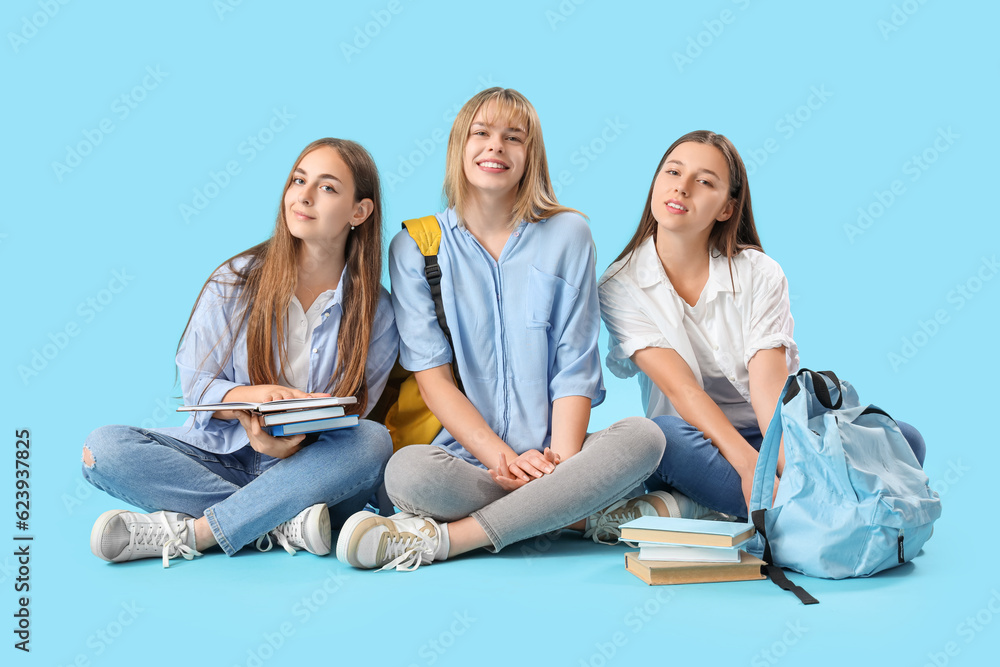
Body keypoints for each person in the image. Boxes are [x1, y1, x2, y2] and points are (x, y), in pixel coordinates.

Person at [335, 88, 668, 572]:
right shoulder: (414, 247)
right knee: (406, 475)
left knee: (645, 437)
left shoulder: (569, 234)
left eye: (514, 138)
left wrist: (560, 464)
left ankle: (446, 541)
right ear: (458, 147)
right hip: (470, 464)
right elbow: (434, 380)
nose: (496, 147)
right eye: (482, 133)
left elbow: (575, 367)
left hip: (561, 455)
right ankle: (575, 513)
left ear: (531, 157)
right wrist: (503, 460)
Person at [82, 138, 398, 566]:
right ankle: (283, 525)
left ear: (359, 212)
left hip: (312, 469)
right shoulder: (234, 281)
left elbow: (356, 412)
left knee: (373, 440)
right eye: (298, 181)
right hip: (222, 458)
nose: (302, 196)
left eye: (326, 188)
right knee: (103, 448)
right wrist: (251, 400)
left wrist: (294, 440)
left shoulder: (376, 312)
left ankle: (197, 533)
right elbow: (197, 387)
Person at [598, 130, 927, 520]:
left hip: (778, 433)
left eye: (704, 181)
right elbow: (681, 389)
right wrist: (748, 466)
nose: (682, 188)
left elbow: (768, 391)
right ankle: (826, 509)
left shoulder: (759, 272)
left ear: (726, 208)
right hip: (701, 442)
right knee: (659, 438)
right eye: (673, 172)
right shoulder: (619, 283)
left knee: (904, 441)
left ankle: (720, 508)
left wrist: (794, 467)